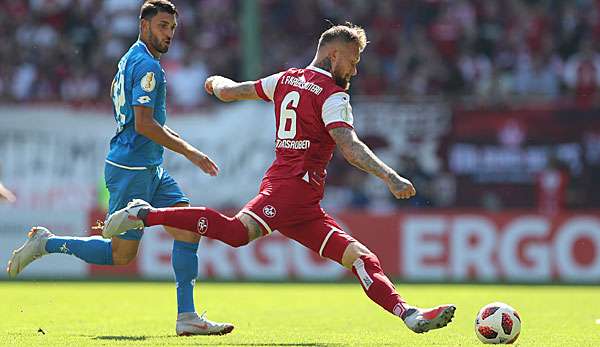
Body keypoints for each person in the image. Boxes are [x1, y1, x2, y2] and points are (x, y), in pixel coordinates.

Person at [103, 23, 456, 333]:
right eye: (353, 59)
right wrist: (390, 176)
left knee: (361, 258)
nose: (355, 68)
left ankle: (409, 314)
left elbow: (233, 91)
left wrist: (214, 84)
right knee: (236, 232)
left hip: (304, 204)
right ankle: (144, 214)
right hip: (288, 191)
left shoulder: (285, 79)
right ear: (333, 55)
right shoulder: (334, 96)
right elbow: (349, 146)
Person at [6, 0, 233, 336]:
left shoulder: (134, 58)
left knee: (188, 229)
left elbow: (149, 122)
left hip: (150, 166)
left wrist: (189, 150)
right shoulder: (147, 67)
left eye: (172, 27)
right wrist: (189, 152)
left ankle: (187, 316)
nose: (168, 34)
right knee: (121, 254)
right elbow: (144, 124)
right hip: (132, 169)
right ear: (144, 26)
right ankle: (46, 243)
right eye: (162, 26)